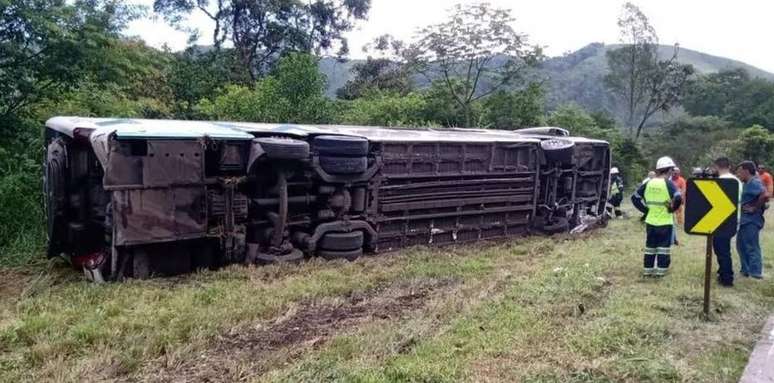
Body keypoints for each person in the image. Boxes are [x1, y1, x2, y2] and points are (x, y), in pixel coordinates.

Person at [631, 156, 683, 277]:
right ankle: (660, 272)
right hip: (665, 221)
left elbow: (634, 198)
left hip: (650, 221)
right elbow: (678, 198)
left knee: (650, 246)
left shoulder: (649, 182)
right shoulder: (669, 184)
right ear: (669, 170)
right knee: (663, 248)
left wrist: (645, 210)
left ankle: (647, 270)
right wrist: (672, 209)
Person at [712, 157, 742, 287]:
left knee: (722, 250)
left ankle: (726, 277)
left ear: (716, 167)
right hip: (734, 219)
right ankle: (723, 271)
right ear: (729, 166)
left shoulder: (719, 182)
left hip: (721, 221)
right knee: (724, 248)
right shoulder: (737, 181)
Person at [736, 161, 767, 279]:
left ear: (746, 171)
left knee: (751, 246)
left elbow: (765, 195)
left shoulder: (754, 182)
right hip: (744, 220)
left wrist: (754, 207)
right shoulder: (747, 183)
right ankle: (745, 270)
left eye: (740, 171)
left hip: (751, 221)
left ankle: (756, 272)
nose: (738, 174)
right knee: (741, 245)